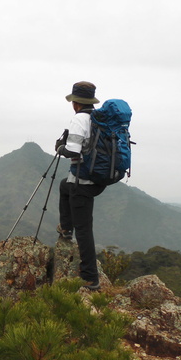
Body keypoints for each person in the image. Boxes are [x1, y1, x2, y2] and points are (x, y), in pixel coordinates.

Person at [55, 81, 105, 290]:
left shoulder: (79, 120)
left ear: (76, 102)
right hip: (98, 179)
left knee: (84, 230)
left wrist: (60, 147)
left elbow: (73, 151)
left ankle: (90, 278)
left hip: (82, 181)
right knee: (63, 185)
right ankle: (66, 228)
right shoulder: (100, 118)